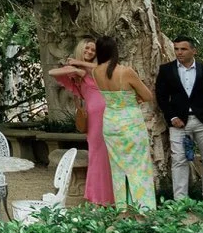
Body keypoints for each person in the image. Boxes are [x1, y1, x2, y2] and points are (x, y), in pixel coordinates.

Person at [52, 37, 157, 211]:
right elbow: (147, 96)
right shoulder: (126, 71)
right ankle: (142, 208)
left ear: (99, 52)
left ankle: (122, 207)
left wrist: (76, 64)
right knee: (138, 165)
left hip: (110, 121)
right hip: (129, 121)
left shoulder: (95, 73)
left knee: (116, 167)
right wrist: (132, 99)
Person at [155, 35, 203, 201]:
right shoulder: (166, 70)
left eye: (183, 49)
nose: (179, 52)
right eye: (176, 49)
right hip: (179, 123)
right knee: (179, 161)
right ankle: (180, 201)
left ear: (194, 50)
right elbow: (161, 97)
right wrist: (172, 117)